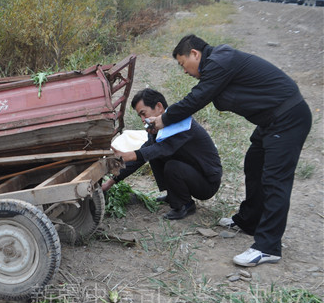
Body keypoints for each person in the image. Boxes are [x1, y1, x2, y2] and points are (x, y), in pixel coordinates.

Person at [147, 34, 312, 267]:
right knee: (253, 164)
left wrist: (164, 119)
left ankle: (268, 247)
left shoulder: (220, 60)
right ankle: (248, 221)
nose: (184, 71)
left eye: (183, 64)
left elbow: (198, 98)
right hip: (271, 121)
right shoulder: (219, 64)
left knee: (275, 180)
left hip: (288, 118)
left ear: (195, 54)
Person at [102, 88, 222, 220]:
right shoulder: (157, 128)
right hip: (190, 171)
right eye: (140, 116)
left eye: (144, 113)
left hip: (206, 183)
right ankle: (174, 194)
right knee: (153, 155)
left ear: (159, 107)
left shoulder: (181, 124)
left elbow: (162, 148)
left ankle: (184, 204)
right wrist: (111, 182)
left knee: (171, 165)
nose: (143, 119)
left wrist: (130, 154)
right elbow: (142, 157)